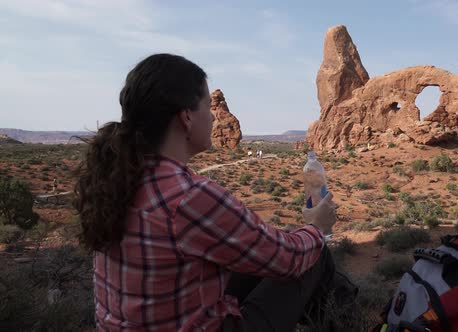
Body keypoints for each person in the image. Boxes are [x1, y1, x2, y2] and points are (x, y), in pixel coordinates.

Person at [73, 54, 340, 332]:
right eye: (207, 106)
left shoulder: (120, 177)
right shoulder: (188, 197)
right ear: (186, 116)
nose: (213, 116)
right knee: (315, 255)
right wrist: (317, 227)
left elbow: (258, 246)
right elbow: (289, 259)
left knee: (259, 257)